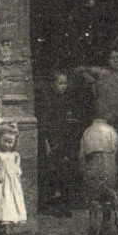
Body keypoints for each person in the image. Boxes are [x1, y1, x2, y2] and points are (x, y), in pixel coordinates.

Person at [77, 47, 118, 137]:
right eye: (112, 58)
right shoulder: (102, 73)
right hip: (104, 120)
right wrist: (89, 78)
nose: (115, 60)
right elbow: (79, 70)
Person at [38, 71, 77, 216]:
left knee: (64, 173)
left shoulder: (67, 101)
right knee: (51, 173)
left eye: (65, 83)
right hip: (51, 141)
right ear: (54, 84)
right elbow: (44, 124)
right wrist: (46, 143)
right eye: (60, 83)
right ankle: (49, 205)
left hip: (64, 141)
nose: (63, 87)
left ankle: (63, 205)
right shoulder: (48, 102)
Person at [79, 115, 118, 235]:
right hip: (109, 163)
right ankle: (105, 226)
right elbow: (117, 150)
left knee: (94, 197)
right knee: (108, 196)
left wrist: (83, 168)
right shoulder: (112, 131)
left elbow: (82, 154)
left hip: (93, 163)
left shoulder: (88, 131)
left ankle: (93, 226)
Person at [0, 123, 27, 235]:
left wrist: (16, 175)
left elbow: (17, 169)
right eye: (4, 141)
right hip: (0, 184)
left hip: (11, 186)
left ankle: (3, 234)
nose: (7, 144)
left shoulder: (15, 155)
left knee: (8, 207)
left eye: (10, 142)